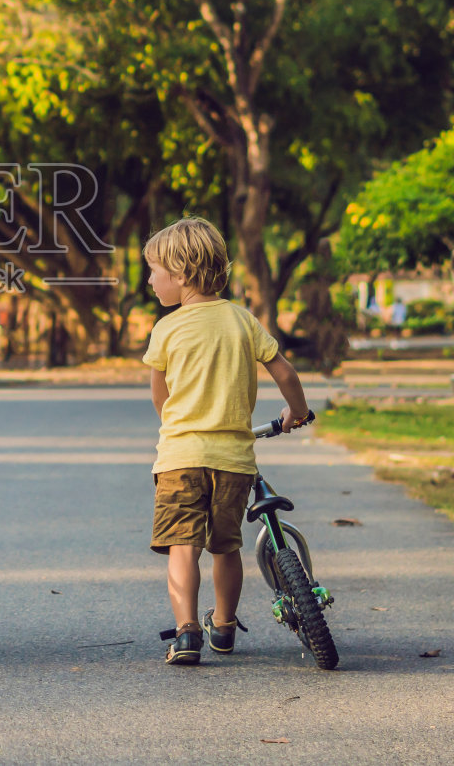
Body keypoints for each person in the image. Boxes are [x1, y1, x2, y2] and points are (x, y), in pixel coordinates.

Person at [142, 217, 311, 665]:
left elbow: (160, 397)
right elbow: (285, 374)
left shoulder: (166, 329)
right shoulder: (242, 320)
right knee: (225, 547)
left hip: (180, 458)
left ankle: (186, 633)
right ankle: (224, 626)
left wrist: (178, 429)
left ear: (181, 274)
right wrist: (296, 412)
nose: (150, 281)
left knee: (183, 546)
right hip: (233, 461)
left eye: (154, 271)